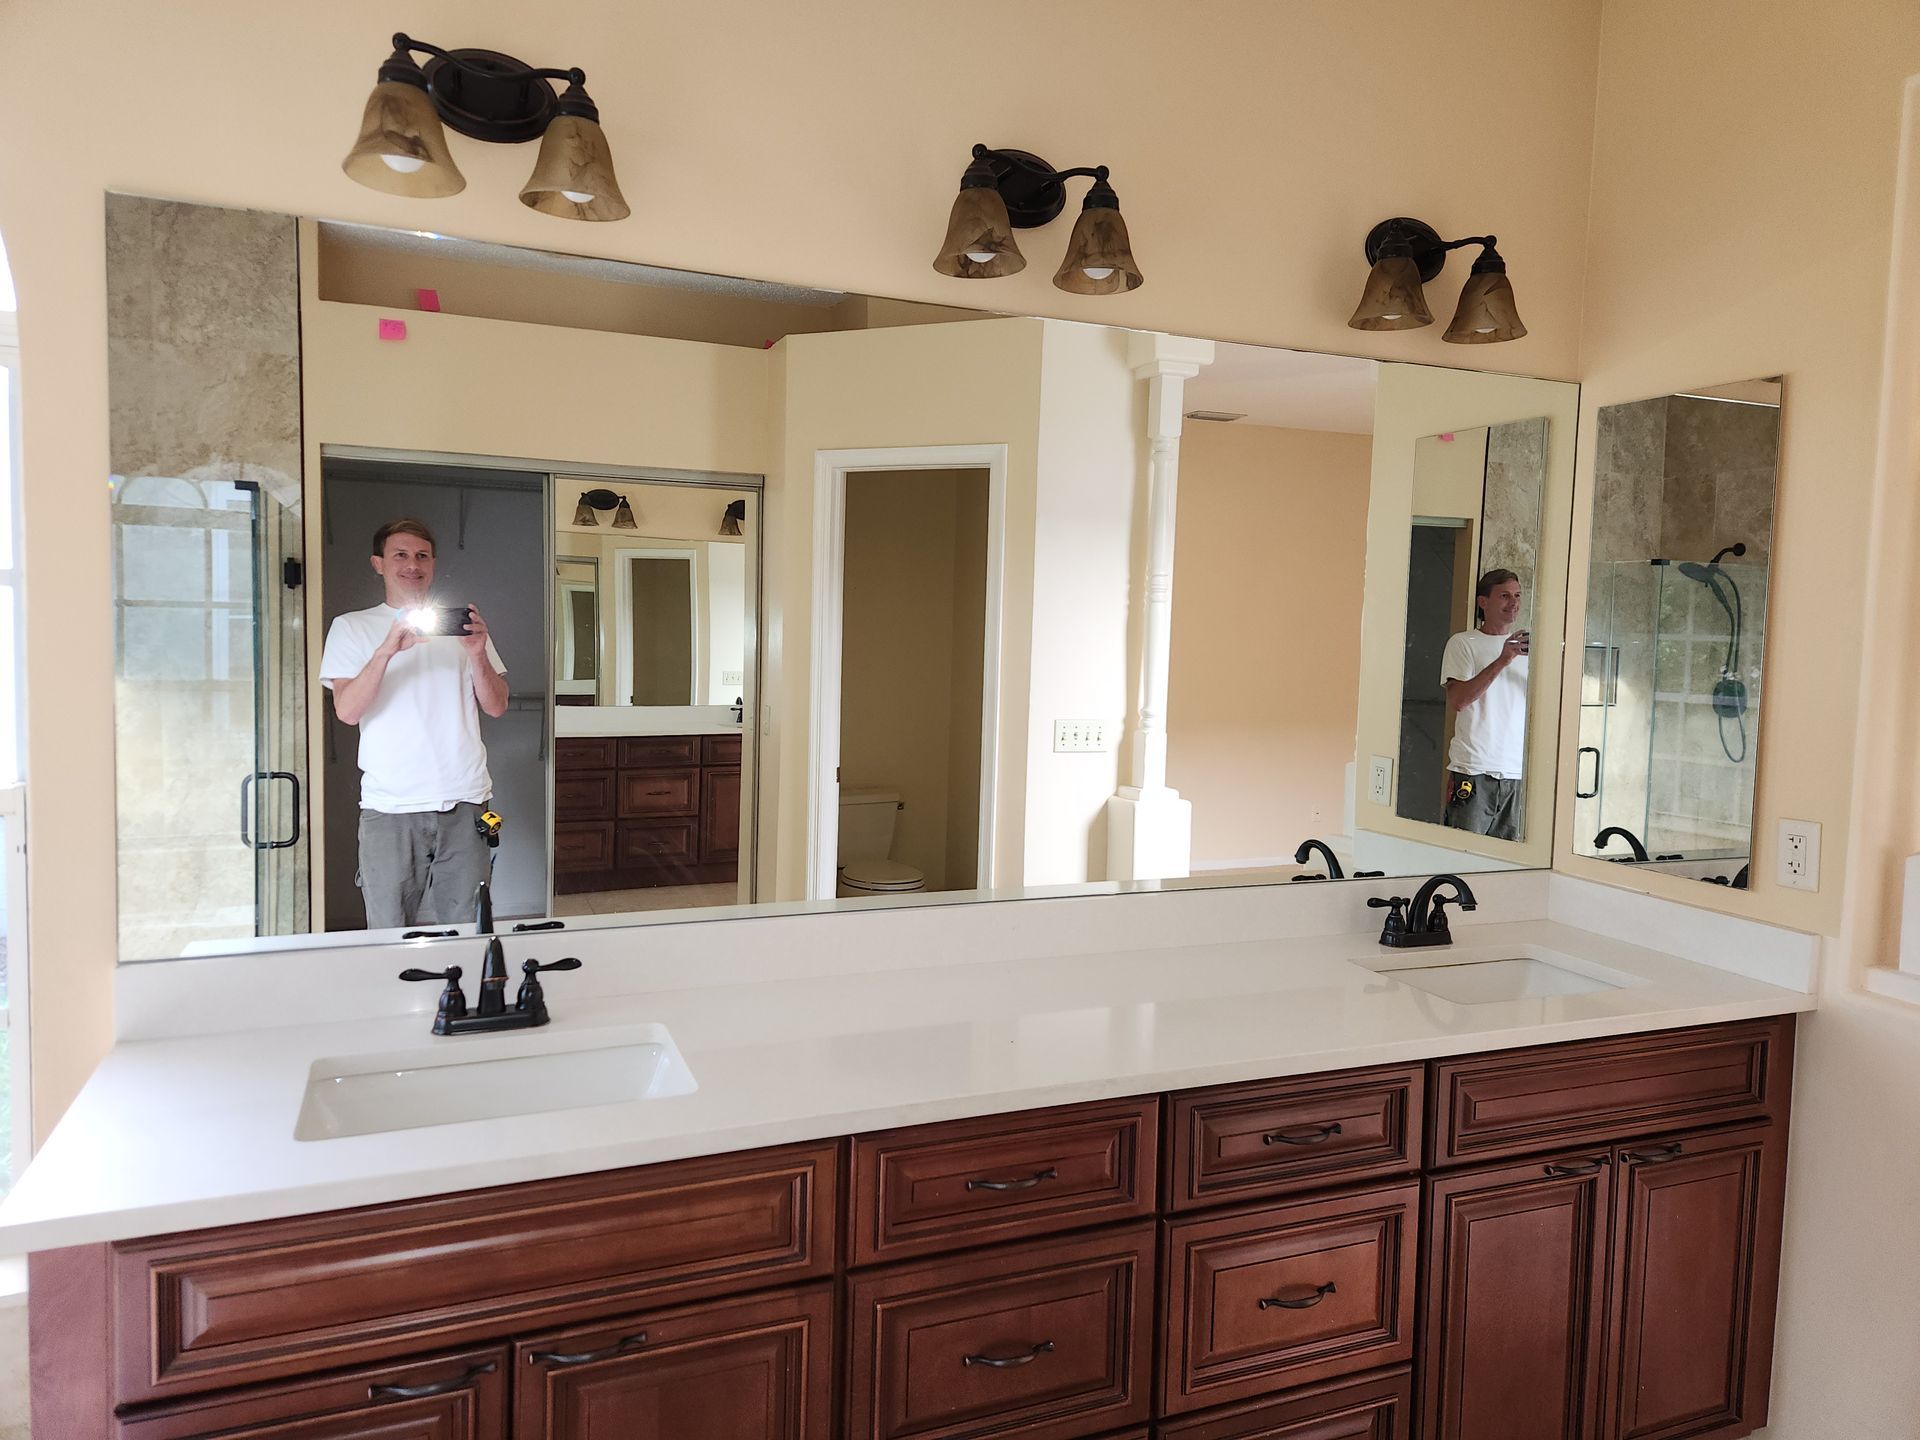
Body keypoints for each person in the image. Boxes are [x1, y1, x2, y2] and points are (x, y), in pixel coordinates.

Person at [319, 518, 508, 929]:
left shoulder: (464, 631)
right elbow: (347, 711)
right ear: (378, 563)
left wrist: (476, 653)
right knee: (388, 928)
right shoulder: (352, 627)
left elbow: (495, 706)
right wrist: (387, 651)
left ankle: (464, 993)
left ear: (433, 564)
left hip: (465, 800)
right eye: (400, 555)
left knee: (469, 926)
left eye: (422, 556)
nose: (412, 564)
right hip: (390, 806)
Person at [1440, 568, 1529, 841]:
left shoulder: (1530, 648)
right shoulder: (1463, 643)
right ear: (1483, 602)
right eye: (1504, 596)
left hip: (1517, 772)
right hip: (1473, 771)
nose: (1513, 603)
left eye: (1517, 596)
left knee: (1509, 866)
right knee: (1463, 857)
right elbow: (1458, 701)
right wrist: (1503, 659)